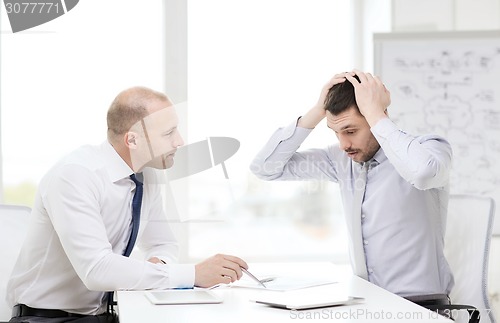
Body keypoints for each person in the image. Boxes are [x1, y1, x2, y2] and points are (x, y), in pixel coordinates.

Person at [7, 86, 248, 322]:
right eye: (168, 133)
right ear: (132, 140)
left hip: (103, 314)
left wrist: (159, 266)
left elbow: (163, 243)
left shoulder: (147, 175)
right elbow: (97, 270)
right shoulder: (75, 176)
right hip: (45, 319)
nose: (180, 141)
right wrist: (193, 274)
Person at [250, 70, 454, 304]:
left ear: (378, 117)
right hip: (366, 303)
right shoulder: (340, 161)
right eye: (336, 133)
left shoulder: (429, 149)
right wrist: (318, 110)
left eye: (350, 131)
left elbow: (423, 173)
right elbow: (265, 168)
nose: (344, 144)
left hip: (422, 305)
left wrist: (376, 113)